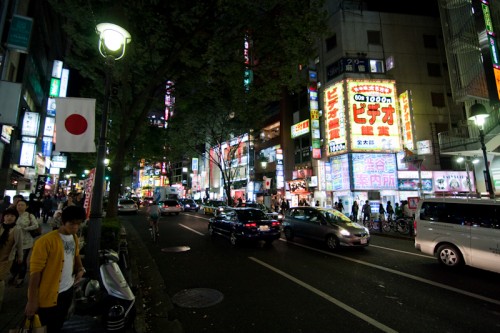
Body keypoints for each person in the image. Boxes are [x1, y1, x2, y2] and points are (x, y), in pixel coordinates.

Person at [25, 205, 86, 333]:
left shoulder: (74, 238)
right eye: (71, 223)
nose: (75, 227)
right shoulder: (45, 242)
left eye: (78, 224)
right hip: (49, 296)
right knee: (46, 327)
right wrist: (31, 301)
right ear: (63, 222)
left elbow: (75, 255)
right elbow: (35, 273)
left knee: (59, 325)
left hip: (67, 291)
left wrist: (80, 268)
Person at [10, 199, 38, 288]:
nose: (20, 206)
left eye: (22, 205)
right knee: (12, 259)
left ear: (26, 206)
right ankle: (14, 274)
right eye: (18, 205)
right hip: (13, 241)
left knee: (21, 260)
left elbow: (36, 225)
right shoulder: (12, 215)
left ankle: (20, 278)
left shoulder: (29, 215)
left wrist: (25, 229)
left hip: (26, 241)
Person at [0, 208, 23, 311]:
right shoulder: (0, 227)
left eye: (12, 216)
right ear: (3, 217)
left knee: (0, 279)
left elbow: (19, 244)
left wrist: (20, 256)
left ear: (15, 218)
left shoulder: (17, 230)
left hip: (7, 258)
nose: (9, 218)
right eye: (7, 215)